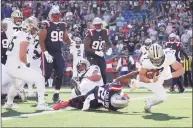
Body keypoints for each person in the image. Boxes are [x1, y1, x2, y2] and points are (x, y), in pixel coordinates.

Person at [3, 16, 51, 110]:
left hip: (9, 65)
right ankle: (41, 104)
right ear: (29, 27)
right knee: (40, 79)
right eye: (33, 28)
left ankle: (9, 103)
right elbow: (22, 55)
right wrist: (27, 63)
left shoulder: (17, 33)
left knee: (16, 85)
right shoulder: (25, 36)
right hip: (16, 65)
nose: (34, 30)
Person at [139, 43, 185, 112]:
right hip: (152, 78)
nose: (157, 62)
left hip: (163, 75)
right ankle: (148, 103)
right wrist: (151, 80)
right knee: (163, 97)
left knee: (160, 94)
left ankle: (149, 99)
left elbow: (181, 70)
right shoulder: (146, 60)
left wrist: (170, 75)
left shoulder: (168, 56)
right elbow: (141, 76)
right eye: (154, 60)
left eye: (159, 59)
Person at [39, 7, 71, 102]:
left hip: (58, 52)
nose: (57, 17)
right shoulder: (46, 24)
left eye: (58, 15)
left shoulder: (62, 25)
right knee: (47, 74)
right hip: (48, 52)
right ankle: (40, 91)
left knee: (60, 73)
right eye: (55, 15)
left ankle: (56, 94)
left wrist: (71, 42)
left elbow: (65, 38)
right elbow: (41, 40)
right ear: (50, 16)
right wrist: (45, 52)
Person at [53, 82, 129, 111]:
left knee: (84, 100)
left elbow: (111, 85)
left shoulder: (113, 90)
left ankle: (68, 102)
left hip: (97, 95)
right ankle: (68, 103)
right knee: (84, 102)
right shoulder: (112, 106)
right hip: (96, 94)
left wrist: (124, 94)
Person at [84, 17, 113, 84]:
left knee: (103, 73)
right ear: (93, 25)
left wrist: (108, 49)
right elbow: (86, 48)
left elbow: (108, 43)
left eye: (99, 25)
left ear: (101, 25)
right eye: (96, 25)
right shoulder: (90, 33)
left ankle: (104, 88)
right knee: (95, 72)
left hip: (100, 55)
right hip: (91, 56)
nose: (98, 26)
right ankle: (92, 87)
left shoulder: (105, 32)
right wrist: (96, 52)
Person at [26, 33, 42, 98]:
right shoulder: (38, 36)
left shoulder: (30, 36)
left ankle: (31, 92)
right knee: (37, 75)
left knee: (29, 75)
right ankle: (37, 92)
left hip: (32, 56)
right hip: (35, 56)